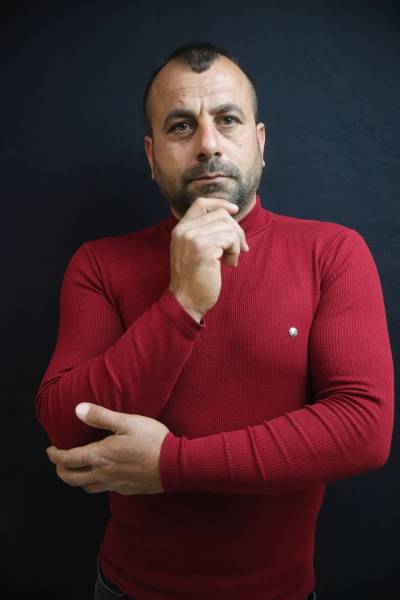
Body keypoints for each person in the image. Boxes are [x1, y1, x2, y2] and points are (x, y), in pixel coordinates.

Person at [35, 42, 394, 600]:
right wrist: (182, 304)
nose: (208, 144)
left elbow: (364, 428)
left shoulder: (332, 252)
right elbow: (67, 425)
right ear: (152, 156)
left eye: (227, 119)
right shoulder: (100, 264)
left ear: (259, 142)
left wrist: (171, 465)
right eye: (181, 126)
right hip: (128, 590)